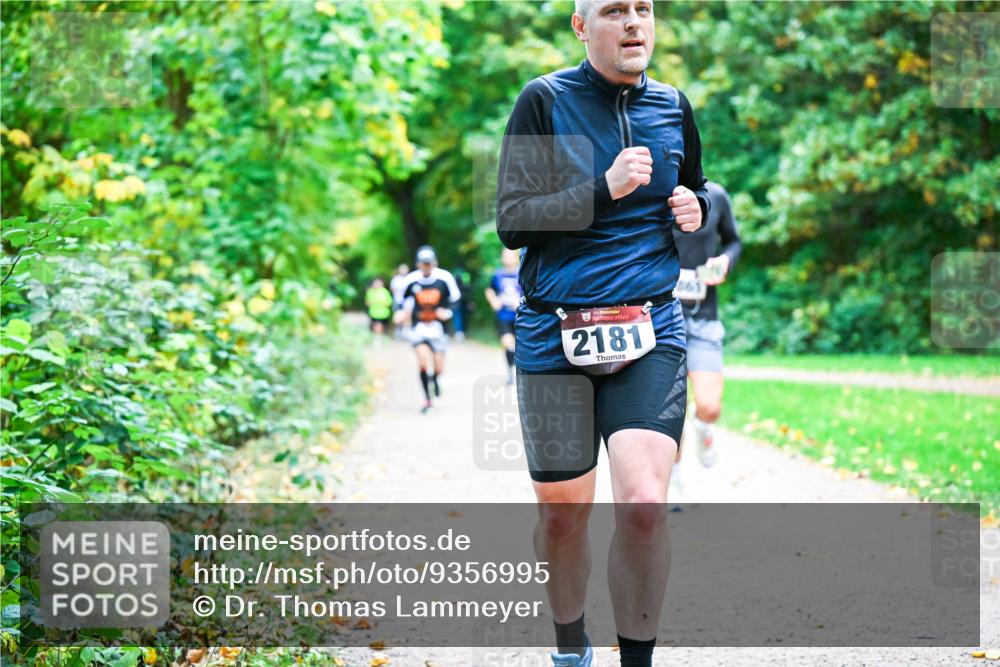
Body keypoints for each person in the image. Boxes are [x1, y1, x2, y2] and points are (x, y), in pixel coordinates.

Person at [495, 1, 709, 665]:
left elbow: (694, 191)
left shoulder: (674, 106)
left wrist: (693, 207)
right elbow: (511, 221)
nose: (634, 22)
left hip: (650, 325)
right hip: (553, 332)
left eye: (643, 8)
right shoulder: (544, 100)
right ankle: (568, 643)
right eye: (615, 10)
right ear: (582, 26)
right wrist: (602, 188)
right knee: (564, 517)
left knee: (644, 503)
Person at [671, 181, 742, 477]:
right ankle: (672, 480)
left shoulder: (715, 195)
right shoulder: (649, 194)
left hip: (703, 316)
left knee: (709, 405)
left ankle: (703, 426)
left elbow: (733, 242)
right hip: (660, 317)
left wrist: (724, 262)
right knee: (670, 412)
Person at [394, 246, 461, 414]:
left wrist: (447, 312)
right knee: (423, 361)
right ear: (418, 264)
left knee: (438, 368)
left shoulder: (444, 278)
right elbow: (399, 300)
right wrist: (399, 312)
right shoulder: (411, 280)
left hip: (438, 329)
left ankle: (435, 380)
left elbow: (456, 299)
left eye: (429, 264)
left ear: (434, 263)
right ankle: (427, 400)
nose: (426, 267)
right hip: (418, 329)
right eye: (423, 264)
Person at [484, 248, 522, 384]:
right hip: (503, 316)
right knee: (507, 343)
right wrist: (494, 300)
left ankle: (519, 370)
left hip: (520, 316)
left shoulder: (521, 273)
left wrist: (520, 302)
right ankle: (510, 371)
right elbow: (489, 290)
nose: (507, 258)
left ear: (516, 257)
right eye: (504, 255)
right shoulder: (497, 274)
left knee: (519, 345)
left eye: (509, 255)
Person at [389, 264, 411, 340]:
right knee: (397, 316)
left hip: (407, 301)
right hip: (398, 300)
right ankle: (398, 330)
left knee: (407, 316)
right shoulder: (396, 279)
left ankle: (405, 331)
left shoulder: (410, 278)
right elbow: (393, 289)